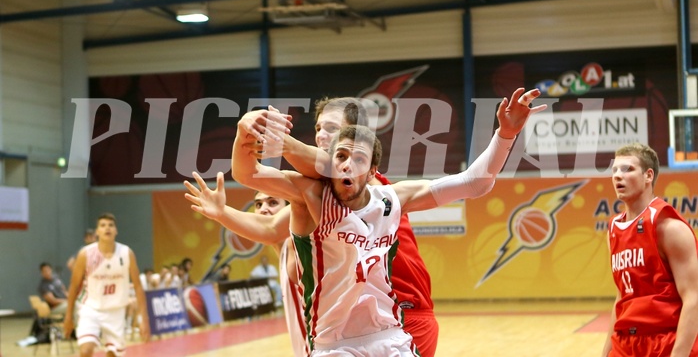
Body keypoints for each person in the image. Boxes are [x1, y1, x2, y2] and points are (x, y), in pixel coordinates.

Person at [231, 87, 542, 355]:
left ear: (373, 169)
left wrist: (506, 135)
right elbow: (247, 173)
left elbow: (475, 183)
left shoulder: (392, 197)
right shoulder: (308, 191)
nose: (345, 164)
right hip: (333, 341)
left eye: (358, 159)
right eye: (337, 154)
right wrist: (245, 128)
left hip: (390, 333)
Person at [184, 182, 307, 356]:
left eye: (273, 203)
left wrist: (221, 212)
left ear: (289, 210)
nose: (263, 209)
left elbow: (272, 226)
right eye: (258, 204)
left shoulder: (301, 245)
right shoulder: (285, 252)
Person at [602, 143, 698, 356]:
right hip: (625, 344)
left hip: (665, 341)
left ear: (648, 176)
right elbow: (621, 297)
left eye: (627, 169)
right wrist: (606, 351)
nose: (618, 176)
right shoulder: (614, 229)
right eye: (614, 170)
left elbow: (693, 298)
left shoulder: (670, 228)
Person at [63, 213, 150, 357]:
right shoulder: (86, 254)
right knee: (86, 350)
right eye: (102, 225)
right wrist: (68, 317)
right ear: (97, 231)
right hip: (90, 308)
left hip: (115, 311)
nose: (107, 228)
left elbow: (138, 287)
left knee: (113, 354)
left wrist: (144, 320)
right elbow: (73, 286)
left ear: (116, 230)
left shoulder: (126, 253)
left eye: (111, 225)